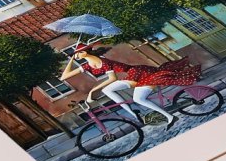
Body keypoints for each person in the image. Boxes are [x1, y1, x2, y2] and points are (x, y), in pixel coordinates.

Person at [61, 46, 202, 129]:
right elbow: (64, 77)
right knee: (108, 90)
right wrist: (71, 59)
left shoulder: (102, 62)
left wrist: (92, 91)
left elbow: (112, 78)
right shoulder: (87, 65)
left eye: (78, 52)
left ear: (85, 52)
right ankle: (134, 113)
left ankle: (169, 117)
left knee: (138, 98)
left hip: (137, 73)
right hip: (131, 75)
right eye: (75, 53)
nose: (76, 54)